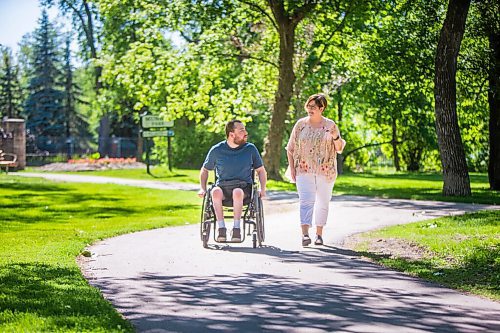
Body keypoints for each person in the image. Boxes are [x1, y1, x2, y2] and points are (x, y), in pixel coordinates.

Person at [285, 93, 346, 246]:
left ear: (321, 108)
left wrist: (336, 137)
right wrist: (292, 168)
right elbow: (290, 148)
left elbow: (339, 149)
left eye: (313, 107)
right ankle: (305, 234)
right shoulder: (301, 124)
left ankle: (319, 234)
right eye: (308, 106)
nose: (309, 109)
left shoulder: (330, 125)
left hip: (325, 170)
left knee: (323, 202)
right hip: (303, 169)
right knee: (306, 201)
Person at [198, 119, 267, 242]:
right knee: (215, 192)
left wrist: (263, 188)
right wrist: (202, 188)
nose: (245, 133)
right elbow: (204, 170)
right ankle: (221, 228)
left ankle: (236, 229)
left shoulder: (250, 149)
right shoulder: (217, 150)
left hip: (243, 187)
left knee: (237, 192)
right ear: (231, 134)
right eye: (241, 130)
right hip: (223, 187)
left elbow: (261, 170)